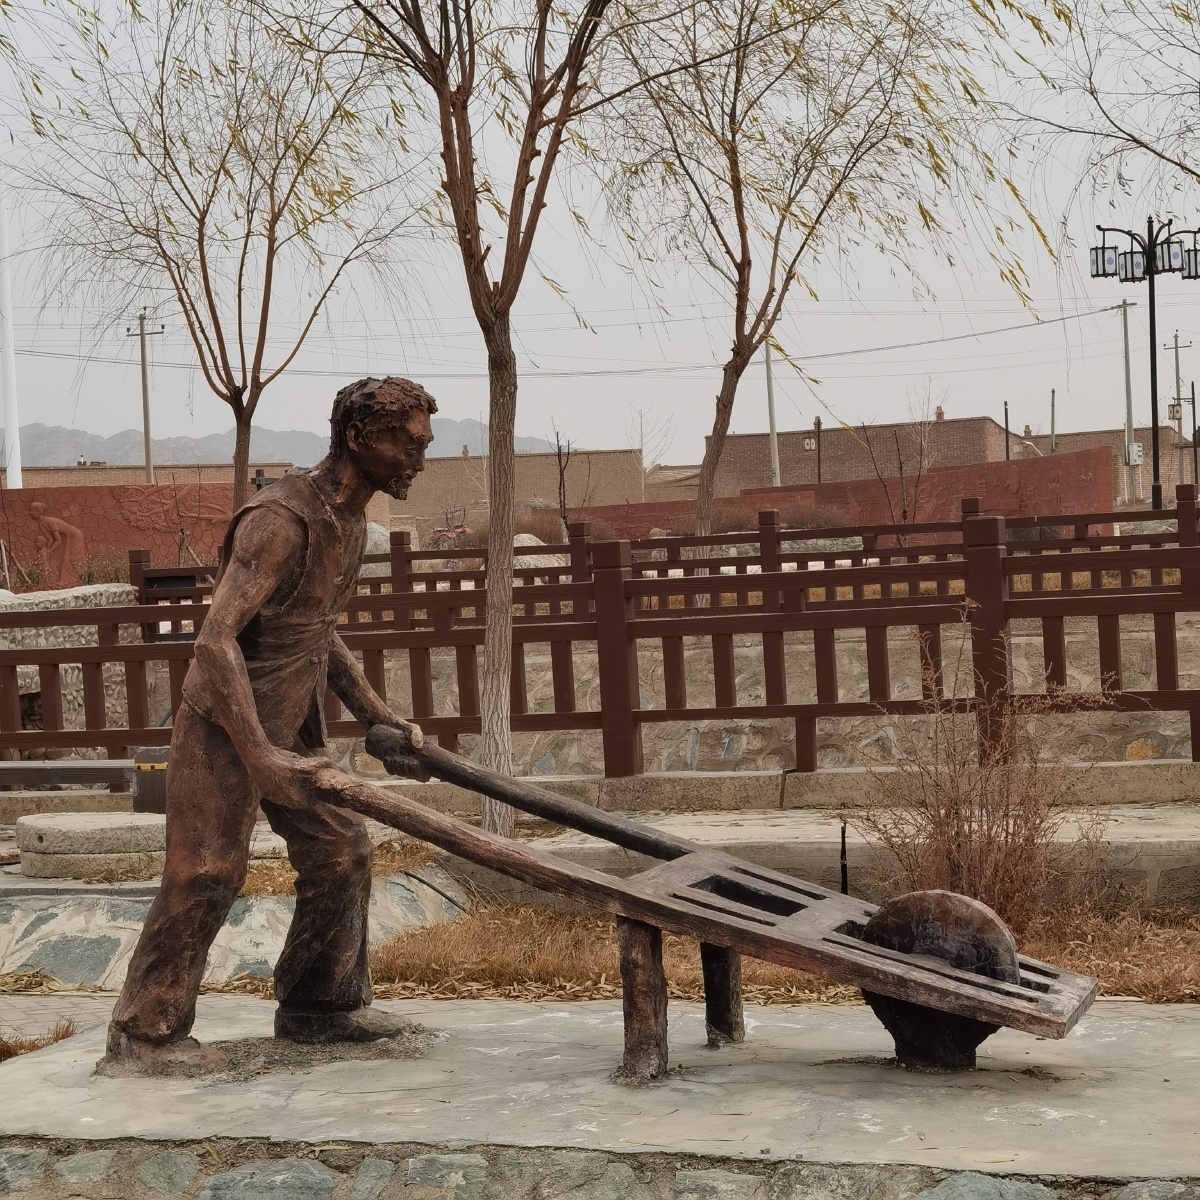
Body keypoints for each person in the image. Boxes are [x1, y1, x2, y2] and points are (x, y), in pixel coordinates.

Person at [105, 376, 435, 1073]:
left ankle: (320, 1007)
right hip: (227, 724)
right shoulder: (281, 519)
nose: (420, 459)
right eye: (407, 445)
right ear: (357, 437)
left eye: (423, 445)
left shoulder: (352, 522)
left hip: (291, 718)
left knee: (341, 849)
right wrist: (258, 755)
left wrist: (380, 718)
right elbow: (215, 639)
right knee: (205, 872)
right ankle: (143, 1036)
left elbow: (317, 629)